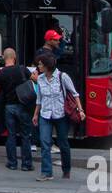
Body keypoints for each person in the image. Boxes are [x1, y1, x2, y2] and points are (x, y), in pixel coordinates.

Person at [32, 52, 80, 181]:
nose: (38, 66)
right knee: (44, 142)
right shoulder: (40, 79)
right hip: (45, 114)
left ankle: (66, 169)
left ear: (47, 66)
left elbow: (74, 94)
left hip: (61, 115)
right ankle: (47, 172)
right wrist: (36, 114)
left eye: (40, 64)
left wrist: (80, 110)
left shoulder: (62, 77)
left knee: (63, 142)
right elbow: (39, 98)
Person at [0, 49, 33, 171]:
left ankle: (12, 163)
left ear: (3, 58)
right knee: (25, 135)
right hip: (23, 106)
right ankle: (26, 164)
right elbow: (35, 79)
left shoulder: (1, 73)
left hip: (9, 107)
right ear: (14, 57)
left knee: (11, 135)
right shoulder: (22, 69)